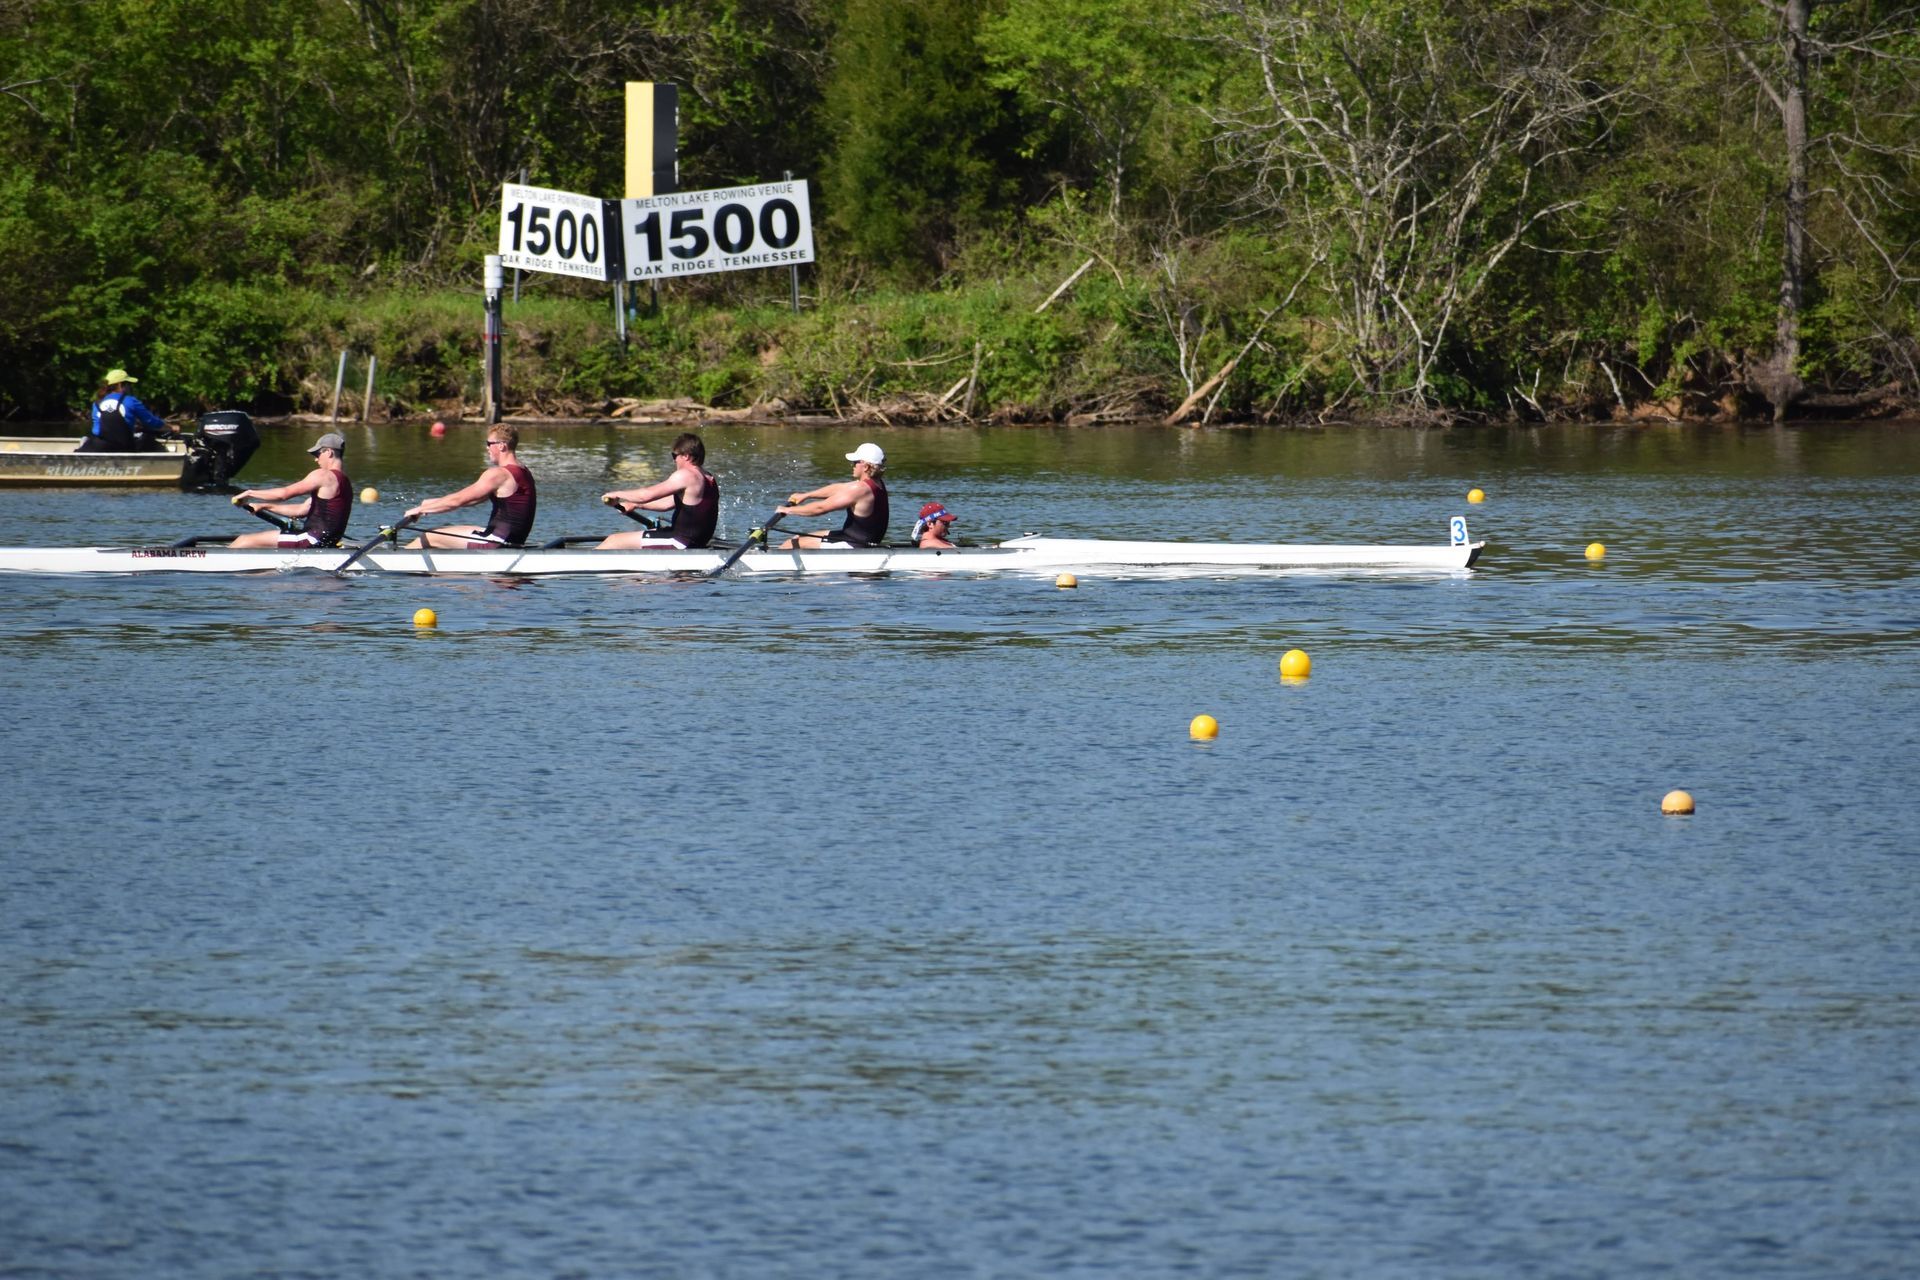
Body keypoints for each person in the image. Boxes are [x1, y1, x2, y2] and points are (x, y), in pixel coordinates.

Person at [403, 425, 537, 548]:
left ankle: (396, 561)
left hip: (496, 543)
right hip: (511, 539)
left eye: (489, 444)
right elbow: (473, 499)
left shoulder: (498, 474)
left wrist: (421, 509)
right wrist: (431, 505)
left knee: (429, 536)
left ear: (501, 446)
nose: (487, 448)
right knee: (440, 531)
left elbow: (458, 500)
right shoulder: (523, 470)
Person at [229, 433, 354, 548]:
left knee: (244, 540)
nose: (316, 459)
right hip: (326, 542)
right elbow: (301, 510)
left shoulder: (323, 476)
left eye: (317, 454)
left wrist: (250, 493)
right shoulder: (345, 482)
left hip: (311, 539)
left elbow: (283, 494)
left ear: (328, 452)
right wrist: (264, 506)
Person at [598, 432, 719, 549]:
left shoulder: (686, 475)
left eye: (674, 456)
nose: (674, 460)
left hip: (680, 541)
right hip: (696, 541)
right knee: (648, 533)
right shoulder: (708, 477)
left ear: (686, 456)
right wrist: (635, 504)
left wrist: (617, 494)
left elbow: (645, 495)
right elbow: (667, 503)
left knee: (613, 540)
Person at [775, 442, 889, 549]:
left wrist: (788, 510)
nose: (852, 465)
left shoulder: (860, 490)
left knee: (790, 544)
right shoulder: (875, 483)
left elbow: (821, 508)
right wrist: (806, 495)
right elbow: (838, 488)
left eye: (855, 462)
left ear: (866, 467)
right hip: (856, 538)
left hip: (854, 545)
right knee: (800, 538)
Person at [80, 368, 175, 453]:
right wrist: (170, 427)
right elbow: (151, 421)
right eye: (128, 384)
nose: (130, 387)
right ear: (120, 385)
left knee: (88, 440)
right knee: (148, 439)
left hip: (100, 447)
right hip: (124, 447)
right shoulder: (131, 401)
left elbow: (96, 430)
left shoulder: (96, 404)